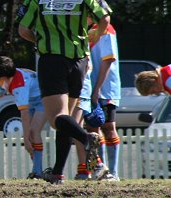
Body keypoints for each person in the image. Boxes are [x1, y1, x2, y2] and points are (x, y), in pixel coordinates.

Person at [18, 0, 111, 184]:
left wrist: (40, 39)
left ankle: (86, 139)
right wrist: (96, 35)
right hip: (78, 62)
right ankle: (57, 173)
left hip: (52, 60)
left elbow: (23, 30)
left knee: (56, 120)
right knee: (66, 118)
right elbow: (105, 18)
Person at [0, 56, 47, 179]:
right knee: (32, 135)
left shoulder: (19, 84)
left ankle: (38, 172)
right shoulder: (4, 79)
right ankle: (37, 171)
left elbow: (24, 113)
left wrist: (26, 138)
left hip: (42, 99)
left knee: (33, 132)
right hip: (32, 101)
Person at [85, 0, 121, 181]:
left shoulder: (106, 30)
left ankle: (113, 173)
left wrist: (97, 89)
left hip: (105, 88)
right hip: (93, 87)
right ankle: (102, 171)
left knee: (108, 127)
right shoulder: (90, 30)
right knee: (93, 127)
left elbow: (108, 61)